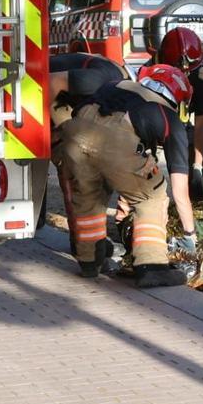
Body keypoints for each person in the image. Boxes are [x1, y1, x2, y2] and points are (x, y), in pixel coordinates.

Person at [55, 65, 198, 288]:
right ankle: (152, 267)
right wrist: (190, 234)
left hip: (76, 132)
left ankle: (90, 261)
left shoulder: (119, 85)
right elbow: (180, 192)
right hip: (113, 139)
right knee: (151, 197)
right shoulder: (168, 116)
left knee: (88, 195)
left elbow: (79, 110)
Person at [48, 45, 131, 252]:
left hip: (73, 96)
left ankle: (91, 243)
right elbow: (50, 84)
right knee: (71, 167)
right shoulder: (94, 81)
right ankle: (83, 246)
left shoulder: (124, 98)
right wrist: (58, 132)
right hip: (48, 86)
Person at [148, 27, 203, 204]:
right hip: (150, 127)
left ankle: (191, 197)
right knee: (143, 176)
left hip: (180, 126)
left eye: (188, 72)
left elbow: (201, 124)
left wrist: (198, 166)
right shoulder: (149, 77)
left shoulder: (199, 79)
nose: (185, 75)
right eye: (180, 72)